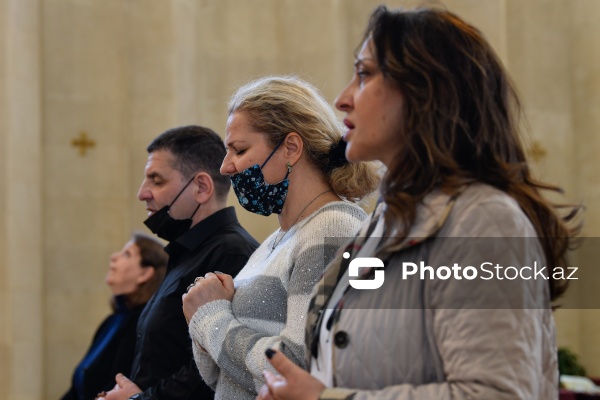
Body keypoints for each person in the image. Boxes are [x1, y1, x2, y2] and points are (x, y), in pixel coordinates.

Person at [256, 5, 581, 400]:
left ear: (425, 90)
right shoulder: (387, 222)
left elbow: (499, 393)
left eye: (364, 74)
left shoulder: (483, 221)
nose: (342, 99)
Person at [181, 76, 380, 399]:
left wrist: (210, 317)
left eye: (239, 149)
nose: (226, 167)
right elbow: (221, 375)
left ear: (290, 148)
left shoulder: (331, 228)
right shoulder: (278, 238)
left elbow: (295, 369)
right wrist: (206, 317)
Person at [101, 125, 259, 400]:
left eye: (157, 181)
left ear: (201, 187)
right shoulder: (183, 254)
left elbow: (218, 366)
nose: (142, 193)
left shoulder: (231, 253)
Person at [61, 233, 168, 400]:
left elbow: (118, 385)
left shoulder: (143, 323)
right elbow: (78, 387)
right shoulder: (111, 321)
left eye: (127, 254)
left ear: (145, 273)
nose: (113, 257)